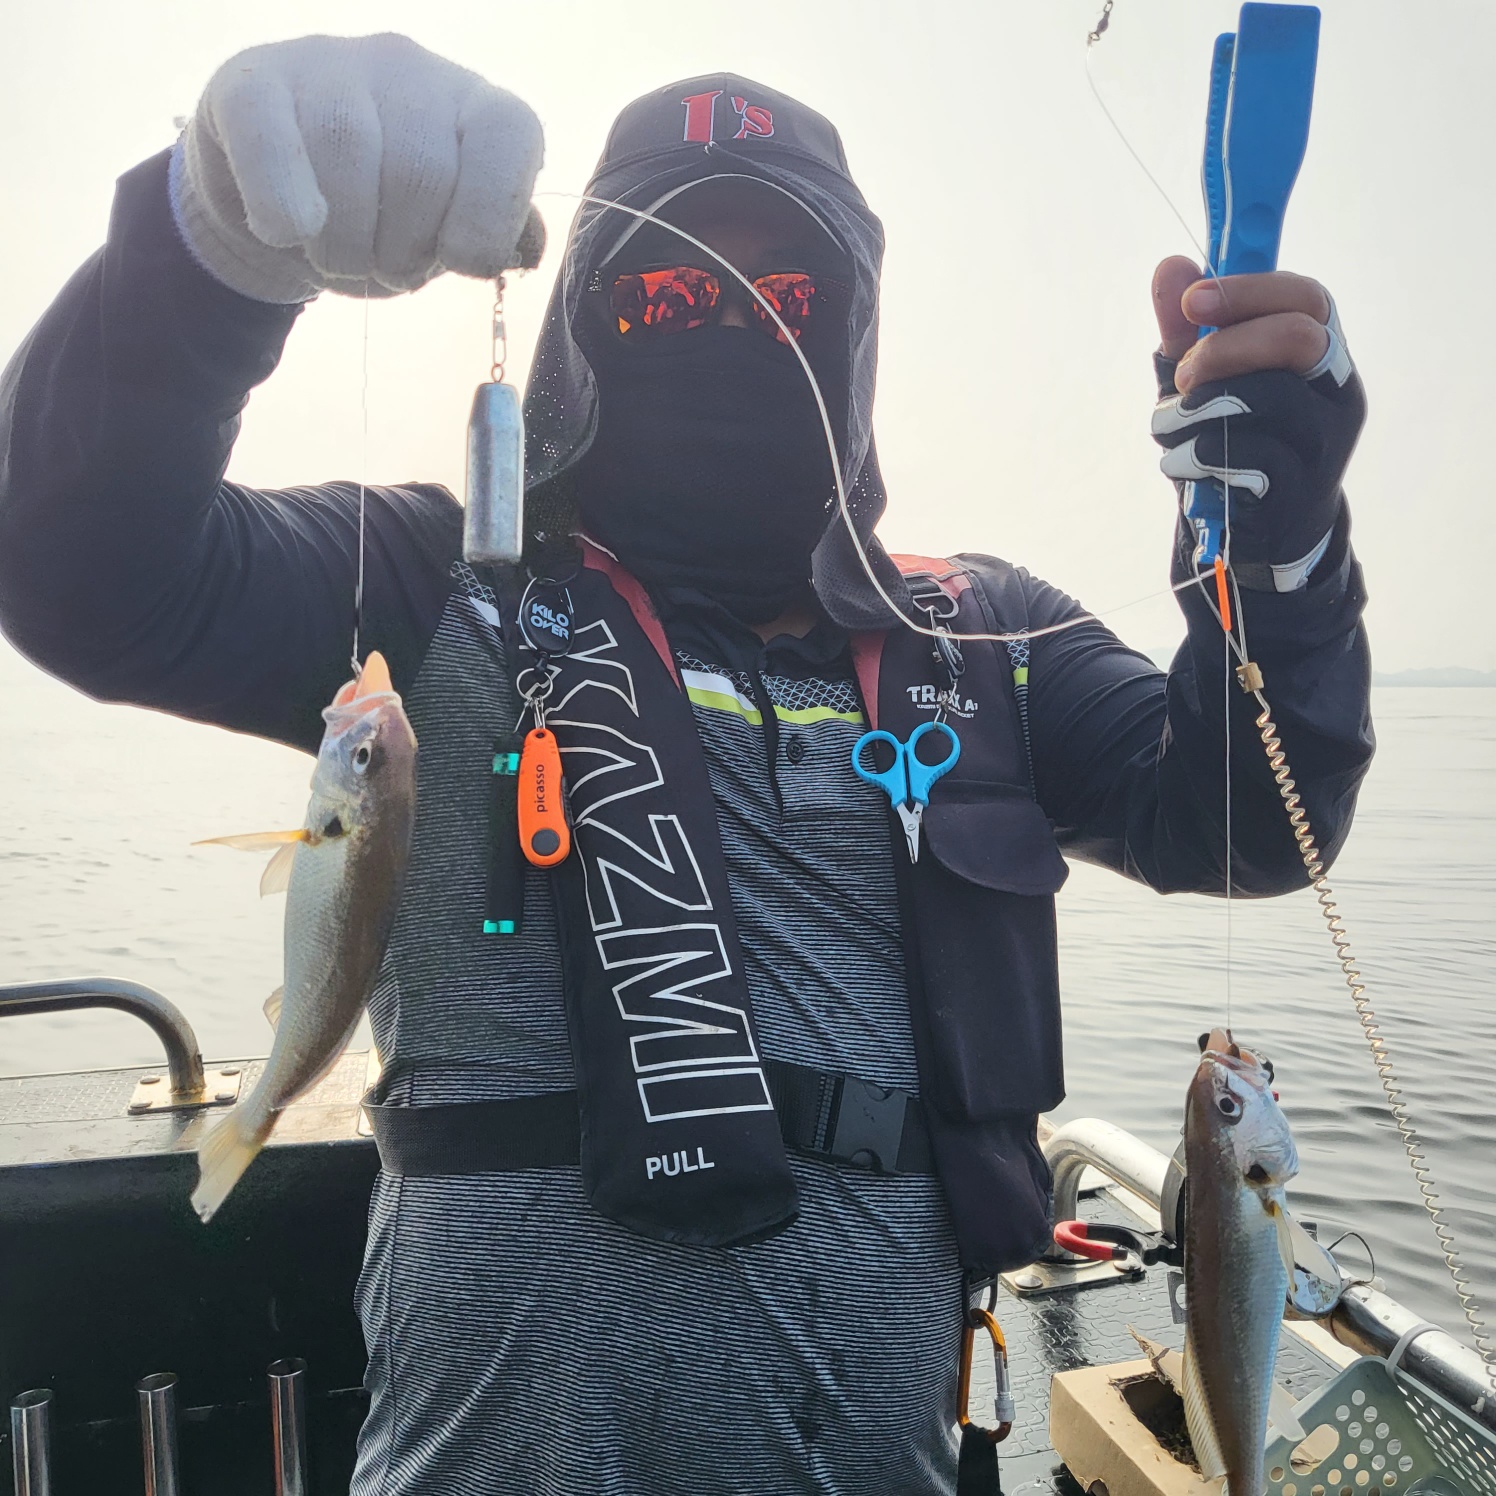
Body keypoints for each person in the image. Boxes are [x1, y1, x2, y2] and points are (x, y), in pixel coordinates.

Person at [0, 33, 1372, 1496]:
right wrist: (203, 260)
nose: (725, 322)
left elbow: (1249, 822)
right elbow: (79, 569)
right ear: (585, 326)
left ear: (849, 328)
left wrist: (1282, 554)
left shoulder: (985, 632)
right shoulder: (434, 581)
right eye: (663, 290)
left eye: (785, 294)